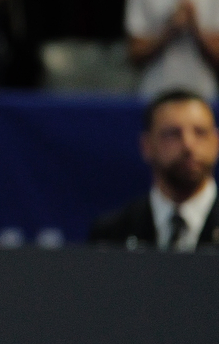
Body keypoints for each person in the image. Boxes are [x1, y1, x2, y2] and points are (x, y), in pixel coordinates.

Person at [89, 90, 219, 250]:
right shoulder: (112, 233)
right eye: (172, 134)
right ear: (147, 146)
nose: (188, 145)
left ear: (216, 142)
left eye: (200, 132)